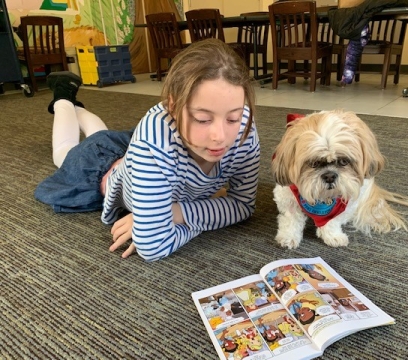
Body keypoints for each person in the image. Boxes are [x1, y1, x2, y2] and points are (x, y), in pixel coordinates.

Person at [35, 38, 260, 262]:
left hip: (138, 153)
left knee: (99, 137)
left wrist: (173, 214)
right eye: (203, 119)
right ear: (173, 107)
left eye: (233, 117)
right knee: (65, 151)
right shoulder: (153, 142)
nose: (220, 137)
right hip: (97, 169)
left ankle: (77, 107)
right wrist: (200, 212)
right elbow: (153, 246)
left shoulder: (244, 128)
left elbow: (242, 206)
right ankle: (63, 99)